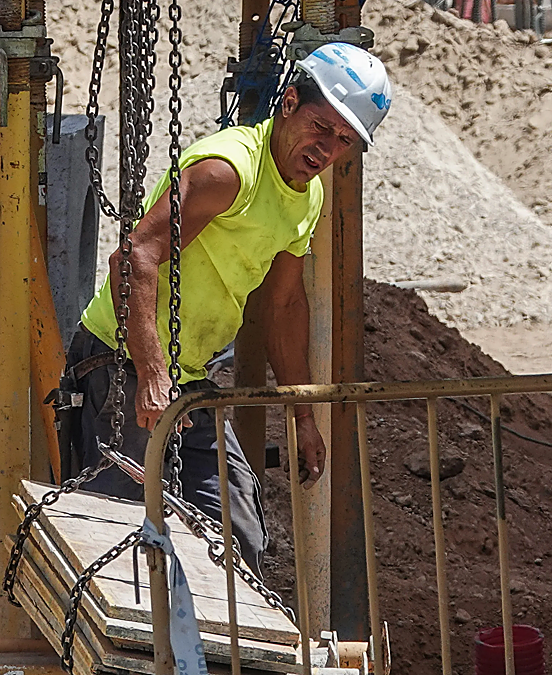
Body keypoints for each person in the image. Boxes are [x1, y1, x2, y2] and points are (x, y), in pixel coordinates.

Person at [64, 41, 393, 575]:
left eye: (344, 139)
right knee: (121, 535)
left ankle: (219, 630)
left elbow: (285, 306)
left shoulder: (306, 196)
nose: (326, 148)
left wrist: (303, 415)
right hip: (121, 361)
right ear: (289, 102)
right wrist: (152, 373)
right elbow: (134, 258)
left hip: (187, 376)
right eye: (320, 126)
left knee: (236, 532)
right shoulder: (229, 171)